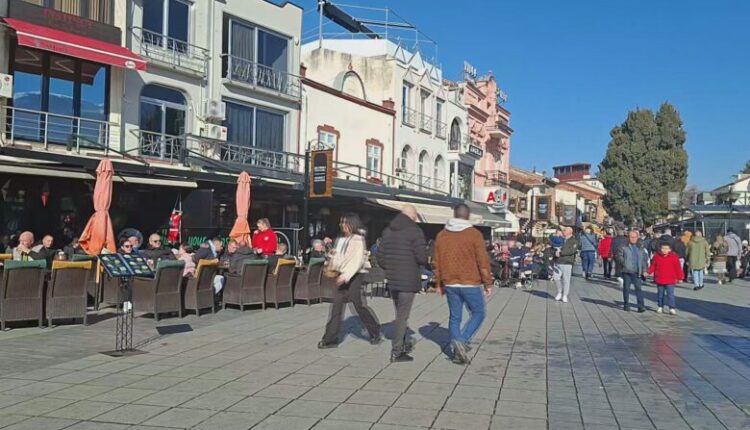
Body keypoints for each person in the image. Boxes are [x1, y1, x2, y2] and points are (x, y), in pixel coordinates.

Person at [432, 204, 492, 365]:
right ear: (467, 216)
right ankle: (462, 340)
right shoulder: (474, 235)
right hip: (470, 281)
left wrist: (438, 283)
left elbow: (436, 261)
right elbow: (482, 261)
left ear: (454, 215)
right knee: (479, 312)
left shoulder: (442, 235)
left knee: (454, 317)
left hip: (450, 282)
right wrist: (488, 283)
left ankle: (457, 347)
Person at [318, 213, 381, 349]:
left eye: (345, 222)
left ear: (352, 224)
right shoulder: (341, 240)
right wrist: (332, 256)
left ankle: (374, 331)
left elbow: (356, 261)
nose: (342, 225)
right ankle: (329, 338)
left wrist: (345, 276)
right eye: (341, 222)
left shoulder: (358, 240)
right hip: (342, 275)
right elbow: (341, 258)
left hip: (355, 276)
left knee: (358, 306)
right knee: (336, 306)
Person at [377, 205, 427, 363]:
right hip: (408, 279)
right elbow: (422, 258)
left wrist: (390, 268)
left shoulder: (387, 231)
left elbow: (380, 256)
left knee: (400, 312)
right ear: (413, 217)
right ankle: (397, 351)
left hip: (393, 279)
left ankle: (404, 344)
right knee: (402, 316)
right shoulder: (415, 231)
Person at [616, 231, 649, 312]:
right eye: (631, 237)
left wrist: (644, 270)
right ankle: (626, 304)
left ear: (637, 237)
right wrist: (624, 263)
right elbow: (619, 256)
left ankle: (641, 306)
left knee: (638, 289)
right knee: (626, 288)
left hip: (637, 272)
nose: (633, 238)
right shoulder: (623, 246)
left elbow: (644, 260)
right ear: (628, 237)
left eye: (634, 237)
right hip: (627, 271)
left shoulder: (640, 247)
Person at [647, 242, 683, 315]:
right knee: (660, 294)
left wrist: (680, 277)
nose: (664, 250)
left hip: (670, 279)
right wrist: (648, 272)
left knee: (670, 294)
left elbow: (678, 268)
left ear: (670, 249)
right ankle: (660, 306)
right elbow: (653, 266)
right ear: (660, 249)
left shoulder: (674, 257)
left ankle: (671, 308)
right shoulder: (656, 256)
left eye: (666, 248)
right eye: (663, 248)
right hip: (660, 278)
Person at [554, 226, 577, 303]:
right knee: (556, 277)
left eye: (565, 230)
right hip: (558, 261)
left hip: (567, 262)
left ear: (570, 232)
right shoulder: (561, 239)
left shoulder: (573, 241)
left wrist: (560, 253)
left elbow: (571, 251)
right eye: (563, 230)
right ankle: (559, 292)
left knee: (566, 280)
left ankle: (565, 295)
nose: (563, 231)